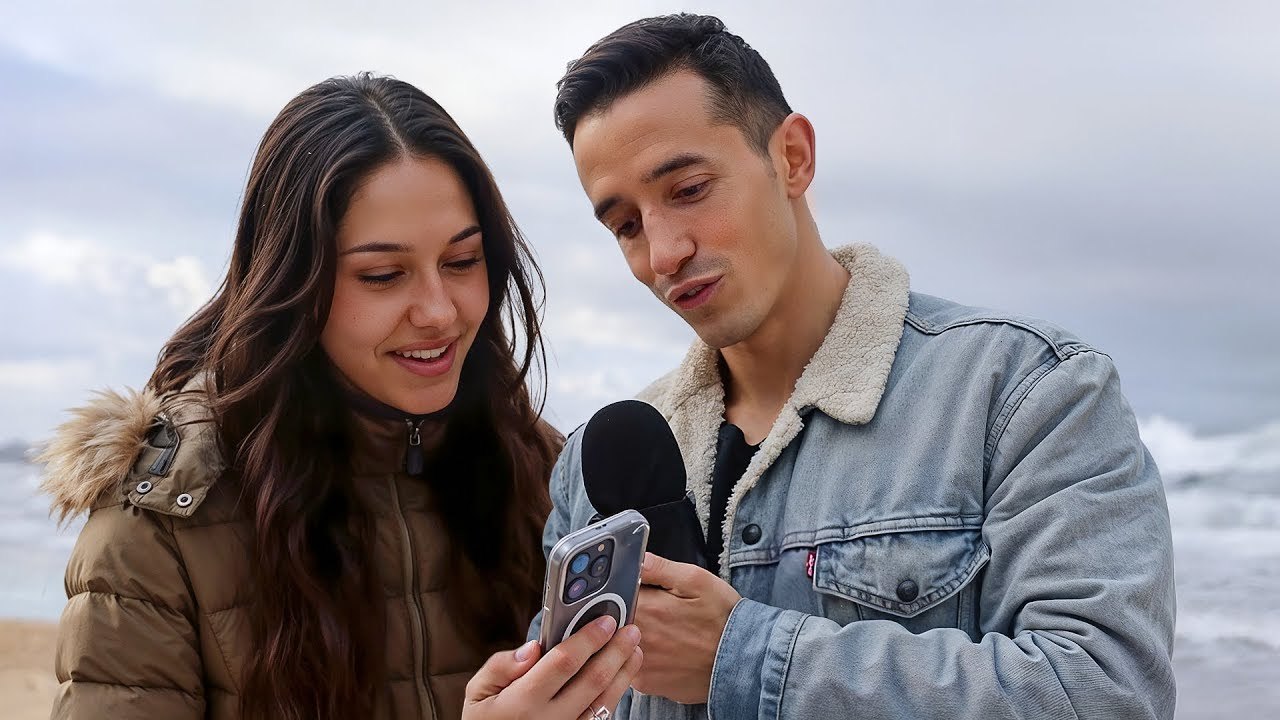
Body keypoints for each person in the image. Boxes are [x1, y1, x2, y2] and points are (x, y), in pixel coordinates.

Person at [531, 13, 1176, 720]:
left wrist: (741, 656)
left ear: (793, 158)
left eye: (688, 190)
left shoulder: (1023, 394)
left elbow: (1105, 693)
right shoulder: (593, 468)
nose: (662, 254)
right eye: (626, 225)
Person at [39, 73, 641, 720]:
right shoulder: (165, 518)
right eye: (383, 275)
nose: (439, 312)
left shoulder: (542, 471)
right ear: (293, 285)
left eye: (463, 261)